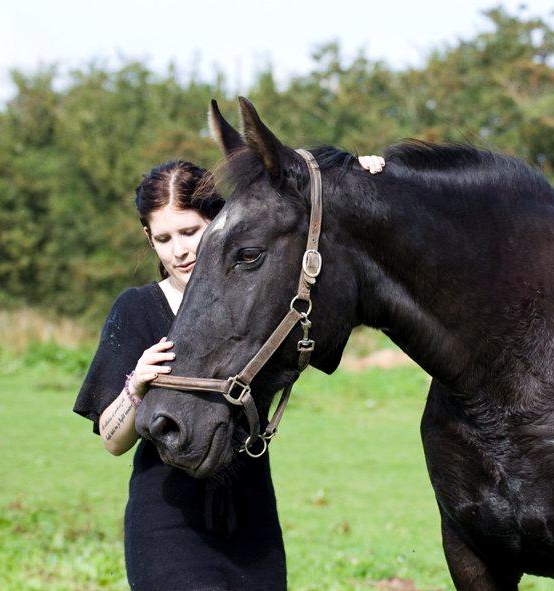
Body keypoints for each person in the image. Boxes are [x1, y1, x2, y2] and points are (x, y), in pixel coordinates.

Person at [73, 154, 384, 590]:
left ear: (220, 222)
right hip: (167, 524)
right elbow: (111, 441)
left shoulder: (260, 301)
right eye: (162, 238)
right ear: (149, 239)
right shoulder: (136, 308)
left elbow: (315, 233)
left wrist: (363, 177)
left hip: (253, 522)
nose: (178, 250)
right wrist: (136, 385)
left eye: (189, 231)